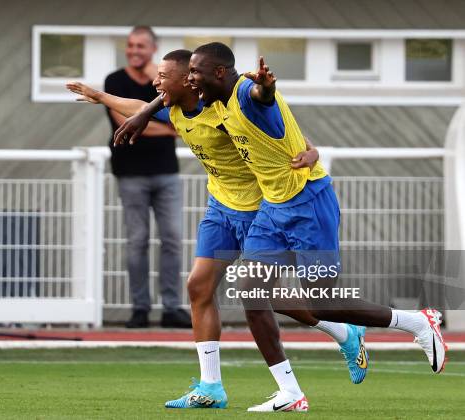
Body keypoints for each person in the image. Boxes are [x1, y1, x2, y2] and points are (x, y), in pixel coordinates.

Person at [69, 49, 367, 410]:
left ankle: (343, 331)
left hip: (258, 209)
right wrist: (99, 96)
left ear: (188, 80)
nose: (155, 82)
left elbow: (283, 133)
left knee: (268, 297)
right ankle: (211, 387)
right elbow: (138, 105)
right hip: (220, 207)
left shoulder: (224, 109)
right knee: (198, 285)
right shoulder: (176, 107)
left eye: (164, 76)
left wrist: (312, 151)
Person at [182, 42, 447, 412]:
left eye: (195, 71)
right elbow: (285, 128)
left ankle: (418, 321)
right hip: (273, 208)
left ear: (220, 73)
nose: (190, 78)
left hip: (309, 203)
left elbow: (263, 97)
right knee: (253, 293)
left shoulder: (245, 93)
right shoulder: (215, 102)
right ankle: (290, 393)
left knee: (319, 300)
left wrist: (266, 88)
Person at [104, 26, 190, 328]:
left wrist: (153, 123)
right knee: (137, 240)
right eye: (130, 46)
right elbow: (126, 121)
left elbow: (181, 122)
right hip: (130, 173)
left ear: (153, 49)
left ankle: (171, 308)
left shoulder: (164, 83)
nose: (134, 51)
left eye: (140, 46)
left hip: (166, 171)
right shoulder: (114, 81)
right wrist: (166, 126)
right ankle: (140, 308)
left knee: (173, 239)